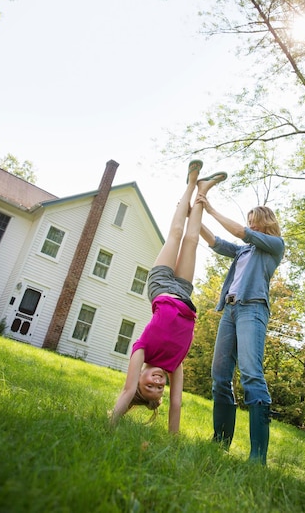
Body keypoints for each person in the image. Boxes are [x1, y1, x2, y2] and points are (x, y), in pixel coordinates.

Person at [109, 160, 227, 434]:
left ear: (140, 377)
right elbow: (176, 405)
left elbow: (127, 391)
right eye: (158, 389)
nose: (158, 383)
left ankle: (190, 182)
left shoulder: (142, 351)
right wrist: (173, 443)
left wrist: (109, 426)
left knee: (175, 233)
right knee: (192, 239)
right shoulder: (175, 366)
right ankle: (203, 191)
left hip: (161, 288)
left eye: (148, 385)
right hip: (184, 295)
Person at [197, 198, 285, 464]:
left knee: (250, 374)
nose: (248, 225)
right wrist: (196, 216)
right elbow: (216, 241)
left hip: (253, 309)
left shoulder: (274, 246)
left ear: (263, 222)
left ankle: (258, 456)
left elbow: (239, 232)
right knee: (220, 376)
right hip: (231, 311)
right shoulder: (243, 251)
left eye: (252, 221)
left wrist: (211, 209)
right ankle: (220, 442)